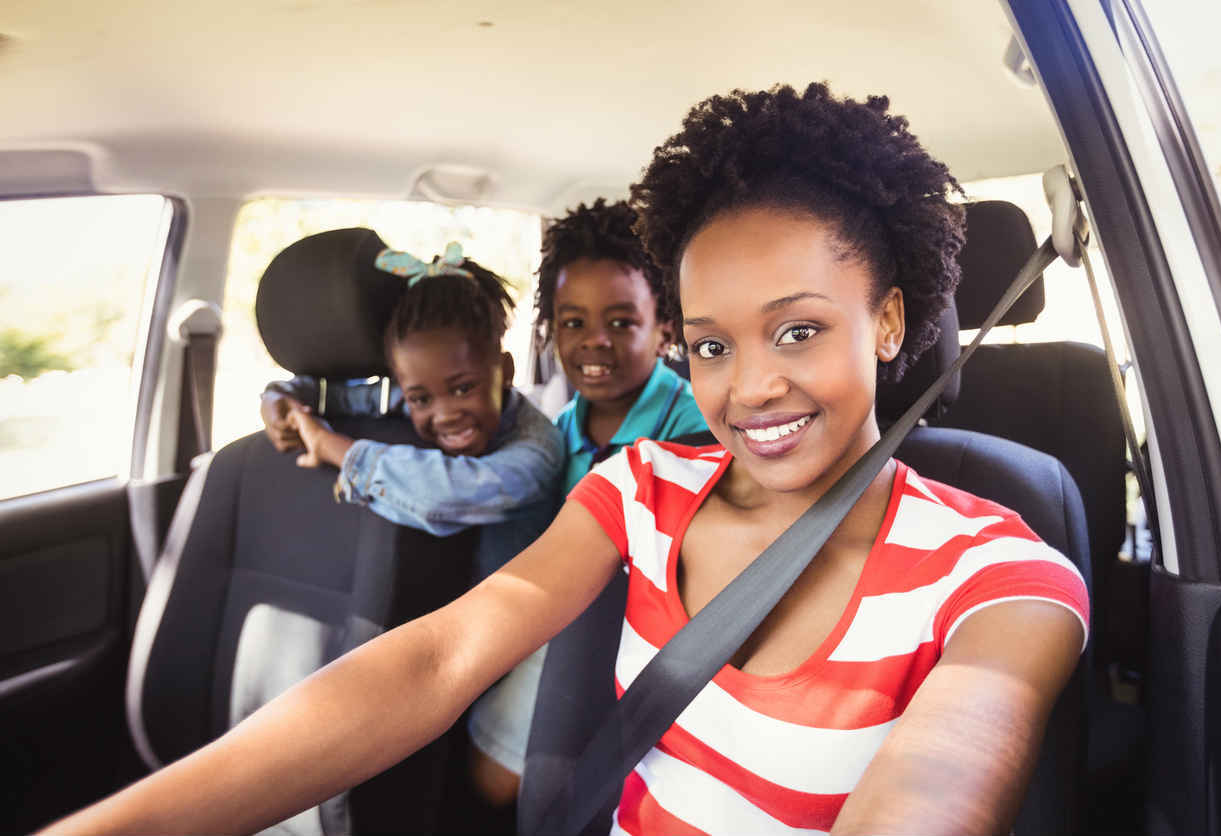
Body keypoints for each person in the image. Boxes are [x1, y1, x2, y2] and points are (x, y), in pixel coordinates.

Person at [45, 83, 1088, 836]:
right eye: (712, 343)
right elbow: (436, 657)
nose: (749, 387)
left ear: (891, 317)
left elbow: (938, 778)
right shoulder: (635, 487)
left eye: (799, 329)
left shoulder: (1002, 572)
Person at [276, 242, 567, 810]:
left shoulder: (537, 450)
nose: (443, 413)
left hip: (531, 628)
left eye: (462, 387)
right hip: (456, 620)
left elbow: (446, 494)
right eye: (420, 397)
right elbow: (336, 392)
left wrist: (334, 447)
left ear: (503, 371)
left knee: (489, 784)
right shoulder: (403, 403)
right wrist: (283, 397)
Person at [536, 199, 709, 494]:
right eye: (574, 323)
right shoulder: (560, 431)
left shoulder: (697, 427)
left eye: (620, 323)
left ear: (665, 333)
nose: (594, 340)